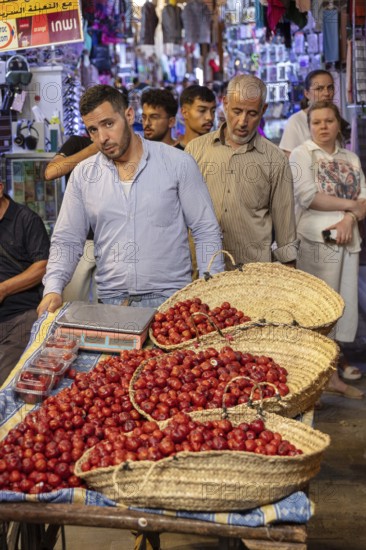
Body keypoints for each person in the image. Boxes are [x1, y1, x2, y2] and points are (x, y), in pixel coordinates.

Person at [37, 85, 224, 316]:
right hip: (112, 302)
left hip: (172, 301)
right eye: (93, 130)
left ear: (128, 115)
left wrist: (212, 287)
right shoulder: (83, 175)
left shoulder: (178, 163)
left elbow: (205, 228)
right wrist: (53, 288)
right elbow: (67, 239)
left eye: (108, 124)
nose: (102, 138)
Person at [290, 101, 366, 398]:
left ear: (338, 124)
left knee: (341, 309)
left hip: (348, 240)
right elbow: (309, 197)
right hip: (317, 242)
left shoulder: (351, 158)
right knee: (317, 312)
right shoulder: (301, 154)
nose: (323, 127)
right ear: (309, 126)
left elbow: (364, 199)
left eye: (328, 121)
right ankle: (313, 383)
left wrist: (348, 219)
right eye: (316, 122)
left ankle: (332, 378)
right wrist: (350, 208)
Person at [186, 74, 299, 267]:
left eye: (252, 114)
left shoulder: (275, 159)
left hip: (252, 275)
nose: (242, 121)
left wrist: (289, 275)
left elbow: (285, 231)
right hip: (203, 271)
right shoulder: (195, 150)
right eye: (236, 111)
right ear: (225, 103)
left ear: (263, 110)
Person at [0, 178, 49, 385]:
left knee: (4, 380)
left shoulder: (26, 219)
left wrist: (3, 289)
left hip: (20, 317)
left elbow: (43, 265)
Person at [45, 136, 99, 302]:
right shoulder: (78, 143)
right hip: (80, 240)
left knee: (109, 308)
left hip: (111, 240)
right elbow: (51, 171)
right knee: (73, 301)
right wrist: (93, 149)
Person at [279, 70, 351, 157]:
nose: (326, 93)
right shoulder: (296, 121)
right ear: (307, 94)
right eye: (319, 89)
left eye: (330, 87)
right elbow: (288, 160)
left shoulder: (336, 118)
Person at [176, 85, 217, 150]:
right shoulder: (172, 155)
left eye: (213, 111)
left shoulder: (220, 152)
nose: (210, 117)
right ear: (185, 112)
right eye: (202, 110)